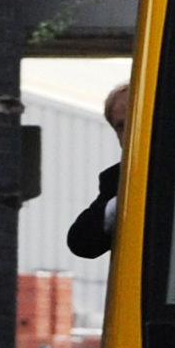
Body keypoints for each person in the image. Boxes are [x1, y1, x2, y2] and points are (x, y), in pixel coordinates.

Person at [68, 82, 130, 258]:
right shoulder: (117, 180)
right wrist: (121, 203)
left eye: (136, 121)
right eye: (121, 126)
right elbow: (81, 242)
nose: (130, 133)